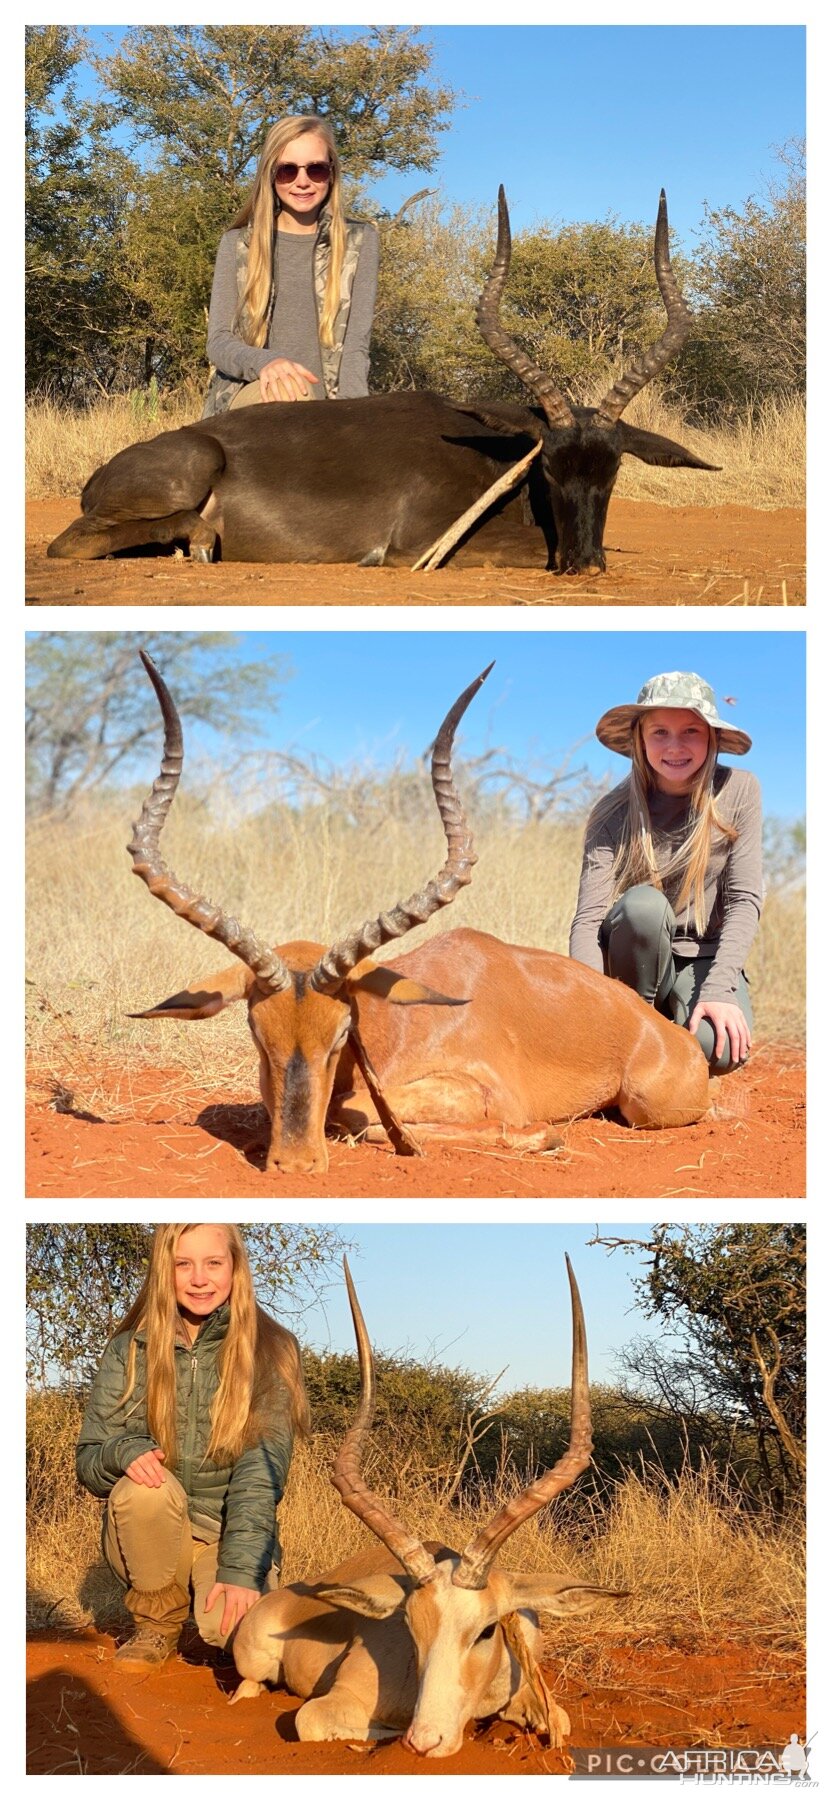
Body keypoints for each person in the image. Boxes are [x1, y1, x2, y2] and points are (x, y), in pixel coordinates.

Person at [76, 1224, 309, 1666]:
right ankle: (156, 1626)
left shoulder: (275, 1349)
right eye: (183, 1264)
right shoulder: (128, 1349)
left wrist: (240, 1570)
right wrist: (122, 1453)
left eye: (213, 1263)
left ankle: (237, 1594)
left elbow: (261, 1474)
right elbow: (89, 1460)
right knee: (145, 1487)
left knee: (243, 1640)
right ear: (164, 1271)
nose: (199, 1278)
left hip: (225, 1536)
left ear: (236, 1269)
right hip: (154, 1535)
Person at [569, 672, 762, 1073]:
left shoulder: (741, 790)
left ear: (712, 737)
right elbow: (588, 920)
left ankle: (661, 1041)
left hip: (704, 956)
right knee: (643, 907)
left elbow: (745, 900)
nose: (675, 746)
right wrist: (588, 1004)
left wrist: (720, 989)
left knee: (718, 1049)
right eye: (660, 732)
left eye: (691, 730)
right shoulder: (611, 810)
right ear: (640, 739)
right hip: (634, 959)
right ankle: (631, 1034)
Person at [203, 114, 379, 416]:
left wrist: (353, 419)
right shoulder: (237, 244)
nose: (302, 182)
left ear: (332, 174)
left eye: (316, 169)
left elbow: (355, 349)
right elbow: (219, 342)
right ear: (270, 175)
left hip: (327, 411)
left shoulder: (360, 242)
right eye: (287, 171)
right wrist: (266, 363)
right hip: (255, 398)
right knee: (293, 395)